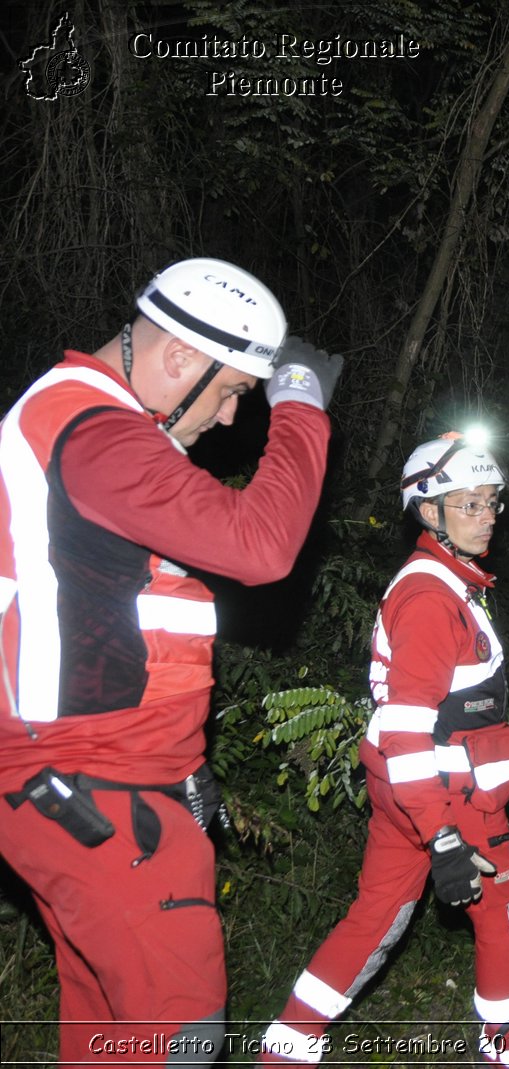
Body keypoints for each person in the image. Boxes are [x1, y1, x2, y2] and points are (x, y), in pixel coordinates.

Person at [0, 257, 337, 1065]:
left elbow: (122, 614)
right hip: (94, 787)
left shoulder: (81, 425)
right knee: (179, 1031)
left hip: (94, 780)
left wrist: (179, 765)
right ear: (181, 358)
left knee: (112, 1034)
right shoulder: (97, 432)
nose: (228, 420)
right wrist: (299, 406)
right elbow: (260, 545)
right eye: (230, 392)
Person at [260, 433, 509, 1066]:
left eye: (492, 501)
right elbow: (410, 726)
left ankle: (286, 1048)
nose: (488, 514)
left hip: (409, 788)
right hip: (448, 792)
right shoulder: (430, 597)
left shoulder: (446, 580)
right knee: (504, 915)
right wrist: (442, 833)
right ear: (428, 510)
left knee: (376, 915)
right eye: (470, 503)